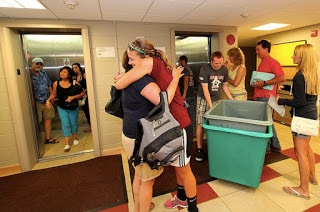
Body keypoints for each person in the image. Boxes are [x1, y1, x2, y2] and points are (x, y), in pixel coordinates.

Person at [115, 38, 198, 212]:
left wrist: (121, 78)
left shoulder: (148, 63)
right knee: (176, 168)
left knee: (183, 169)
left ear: (145, 57)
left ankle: (192, 207)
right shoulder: (153, 66)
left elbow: (121, 84)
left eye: (132, 59)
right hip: (170, 124)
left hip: (179, 124)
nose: (130, 63)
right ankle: (181, 198)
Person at [276, 44, 318, 200]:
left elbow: (300, 101)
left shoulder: (300, 75)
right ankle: (313, 177)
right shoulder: (312, 74)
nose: (292, 57)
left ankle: (304, 189)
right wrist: (286, 86)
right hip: (312, 116)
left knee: (300, 154)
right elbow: (305, 93)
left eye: (295, 54)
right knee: (307, 149)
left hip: (302, 118)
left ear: (302, 57)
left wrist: (281, 101)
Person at [195, 51, 233, 162]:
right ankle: (199, 149)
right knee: (201, 123)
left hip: (217, 99)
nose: (218, 65)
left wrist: (232, 99)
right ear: (211, 61)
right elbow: (205, 89)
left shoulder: (224, 70)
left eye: (220, 63)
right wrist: (211, 106)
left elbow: (225, 86)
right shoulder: (204, 69)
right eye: (216, 63)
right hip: (203, 98)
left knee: (215, 124)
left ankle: (214, 147)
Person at [253, 39, 286, 153]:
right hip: (260, 95)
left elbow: (282, 78)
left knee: (265, 121)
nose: (256, 52)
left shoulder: (273, 62)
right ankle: (275, 144)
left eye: (258, 49)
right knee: (268, 121)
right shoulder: (262, 62)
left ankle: (267, 147)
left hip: (266, 96)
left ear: (266, 49)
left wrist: (265, 83)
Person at [49, 66, 85, 151]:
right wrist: (48, 100)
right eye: (61, 72)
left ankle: (75, 138)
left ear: (69, 74)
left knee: (73, 123)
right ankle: (67, 143)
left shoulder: (74, 82)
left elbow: (82, 93)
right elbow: (54, 94)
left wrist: (72, 97)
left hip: (73, 107)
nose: (62, 73)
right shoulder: (56, 83)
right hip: (61, 107)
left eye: (64, 72)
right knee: (65, 124)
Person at [31, 57, 58, 144]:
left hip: (47, 101)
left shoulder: (43, 73)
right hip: (36, 102)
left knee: (48, 119)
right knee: (36, 121)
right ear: (32, 64)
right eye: (37, 63)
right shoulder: (29, 74)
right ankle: (35, 142)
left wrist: (51, 97)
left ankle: (48, 138)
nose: (39, 65)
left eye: (40, 64)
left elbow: (49, 85)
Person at [178, 55, 196, 136]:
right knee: (192, 115)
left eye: (179, 61)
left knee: (186, 116)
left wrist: (184, 94)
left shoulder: (185, 70)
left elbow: (186, 81)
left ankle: (189, 134)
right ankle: (193, 133)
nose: (179, 63)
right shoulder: (190, 69)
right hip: (192, 94)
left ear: (183, 61)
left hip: (187, 96)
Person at [72, 63, 91, 133]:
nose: (75, 69)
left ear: (79, 67)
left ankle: (92, 126)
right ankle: (90, 125)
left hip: (87, 96)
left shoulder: (84, 75)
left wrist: (85, 91)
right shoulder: (74, 77)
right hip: (80, 97)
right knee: (85, 111)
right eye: (73, 68)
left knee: (89, 111)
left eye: (76, 67)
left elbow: (89, 84)